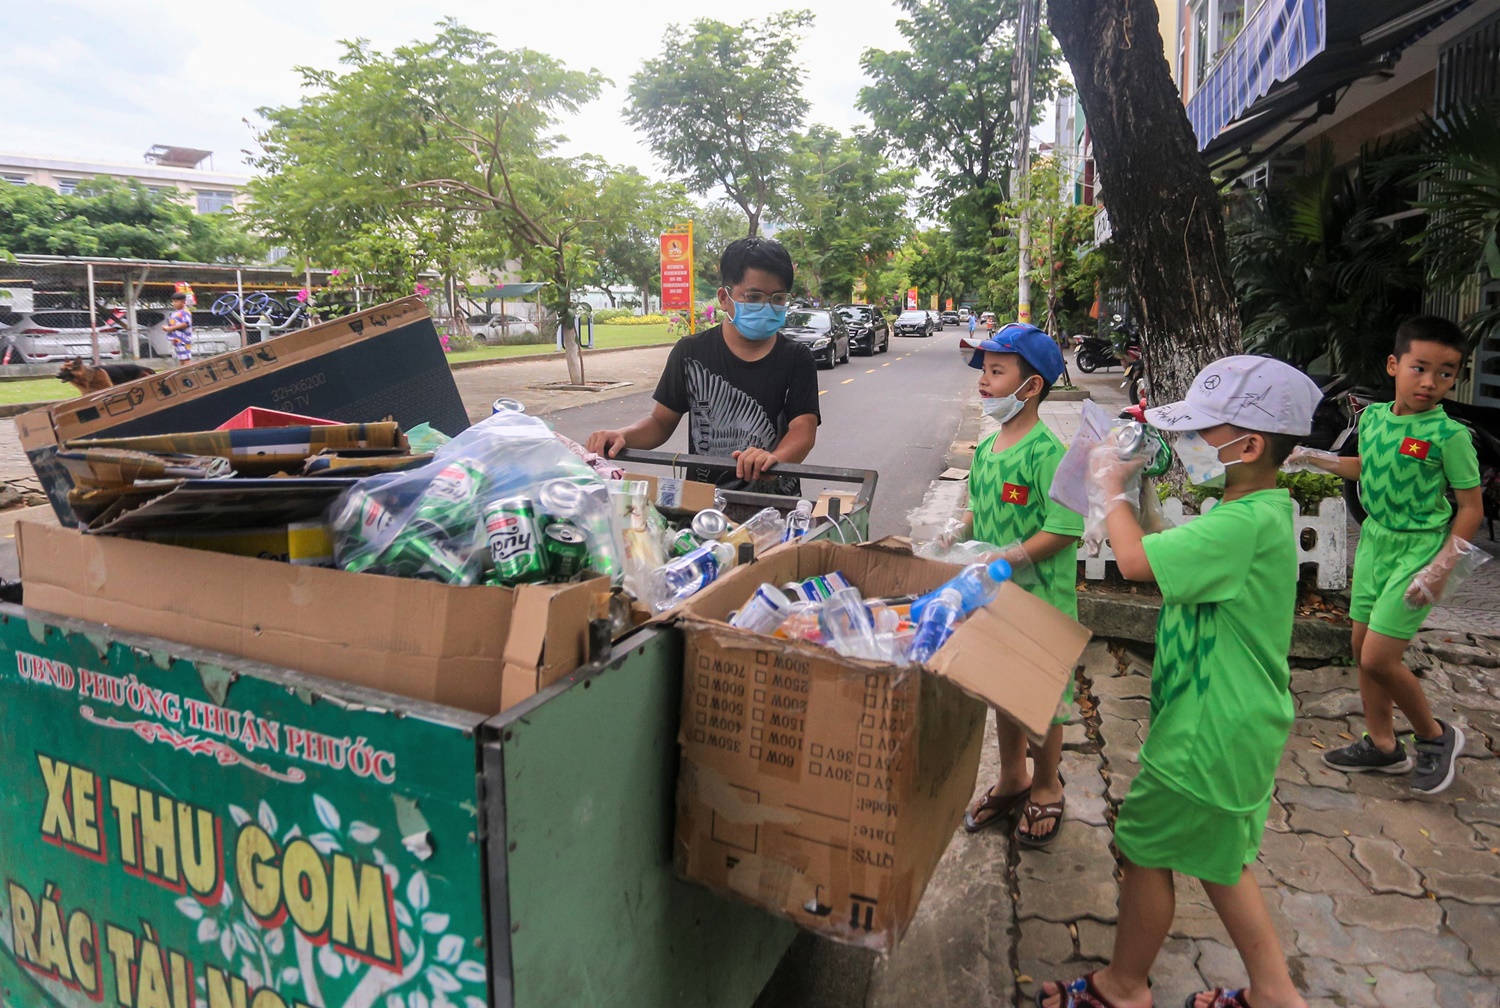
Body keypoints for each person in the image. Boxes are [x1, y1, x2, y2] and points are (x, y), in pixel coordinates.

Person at [1038, 356, 1321, 1008]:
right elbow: (1168, 552)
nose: (1185, 444)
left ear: (1248, 445)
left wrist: (1106, 486)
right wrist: (1137, 494)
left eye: (1200, 431)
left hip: (1207, 727)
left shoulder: (1241, 523)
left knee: (1144, 847)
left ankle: (1123, 987)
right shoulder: (1255, 509)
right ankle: (1275, 992)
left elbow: (1136, 561)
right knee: (1221, 860)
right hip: (1237, 720)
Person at [1293, 316, 1482, 795]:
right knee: (1361, 650)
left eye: (1446, 372)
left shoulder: (1450, 436)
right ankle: (1381, 745)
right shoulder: (1373, 418)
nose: (1431, 382)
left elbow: (1471, 509)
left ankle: (1437, 737)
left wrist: (1441, 569)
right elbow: (1367, 465)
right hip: (1376, 542)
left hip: (1420, 551)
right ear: (1394, 365)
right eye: (1420, 368)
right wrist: (1316, 458)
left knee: (1379, 657)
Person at [958, 323, 1081, 846]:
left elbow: (1064, 527)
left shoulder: (1046, 451)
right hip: (995, 598)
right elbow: (974, 507)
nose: (983, 382)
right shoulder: (989, 447)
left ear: (1030, 388)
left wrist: (1012, 556)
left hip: (1039, 601)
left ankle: (1047, 785)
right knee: (1003, 690)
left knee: (1041, 702)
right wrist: (953, 530)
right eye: (983, 371)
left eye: (996, 371)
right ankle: (1013, 778)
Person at [586, 237, 819, 495]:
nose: (766, 306)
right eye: (753, 297)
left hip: (777, 507)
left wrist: (775, 459)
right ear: (723, 298)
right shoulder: (690, 353)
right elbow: (660, 423)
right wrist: (623, 435)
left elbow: (803, 430)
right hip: (703, 504)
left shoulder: (797, 358)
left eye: (777, 298)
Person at [163, 292, 193, 366]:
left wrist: (170, 328)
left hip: (183, 340)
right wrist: (167, 328)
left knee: (186, 360)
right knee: (181, 359)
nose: (174, 303)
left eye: (176, 301)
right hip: (176, 340)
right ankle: (184, 375)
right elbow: (173, 326)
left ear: (183, 302)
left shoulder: (185, 312)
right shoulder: (174, 313)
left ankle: (190, 375)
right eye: (173, 301)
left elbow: (186, 323)